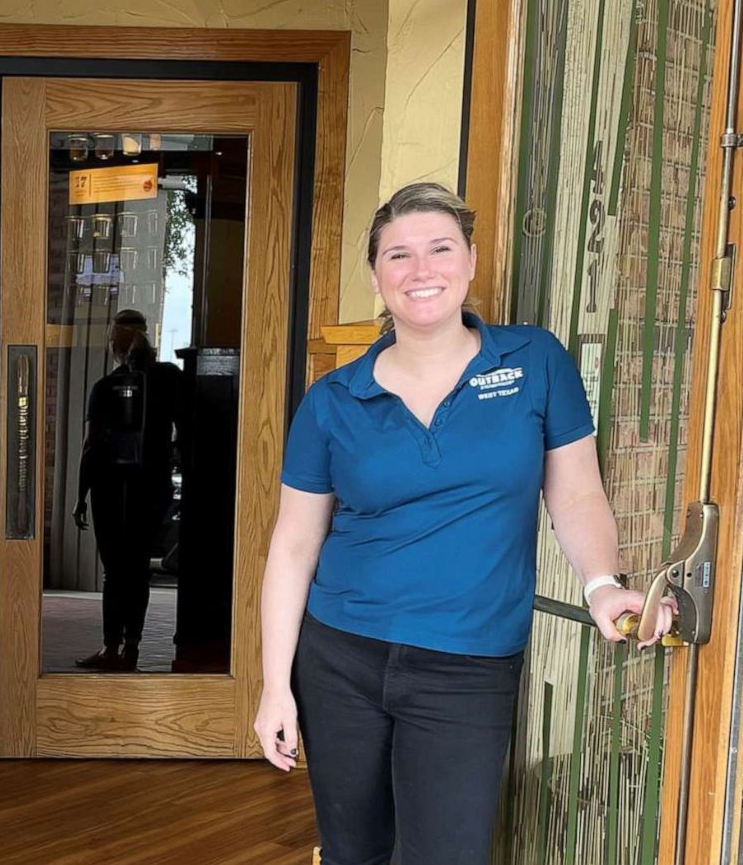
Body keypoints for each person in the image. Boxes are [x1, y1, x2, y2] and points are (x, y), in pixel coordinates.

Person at [252, 183, 677, 864]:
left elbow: (574, 497)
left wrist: (601, 583)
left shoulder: (534, 362)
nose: (421, 271)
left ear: (472, 260)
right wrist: (276, 688)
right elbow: (295, 547)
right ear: (375, 275)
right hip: (340, 658)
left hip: (469, 664)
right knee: (351, 851)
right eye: (398, 255)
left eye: (440, 249)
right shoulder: (333, 400)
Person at [72, 310, 183, 670]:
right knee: (137, 569)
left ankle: (110, 646)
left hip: (110, 487)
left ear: (114, 347)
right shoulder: (169, 379)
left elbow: (91, 444)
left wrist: (79, 497)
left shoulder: (104, 388)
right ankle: (132, 646)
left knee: (114, 571)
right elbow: (186, 431)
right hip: (152, 486)